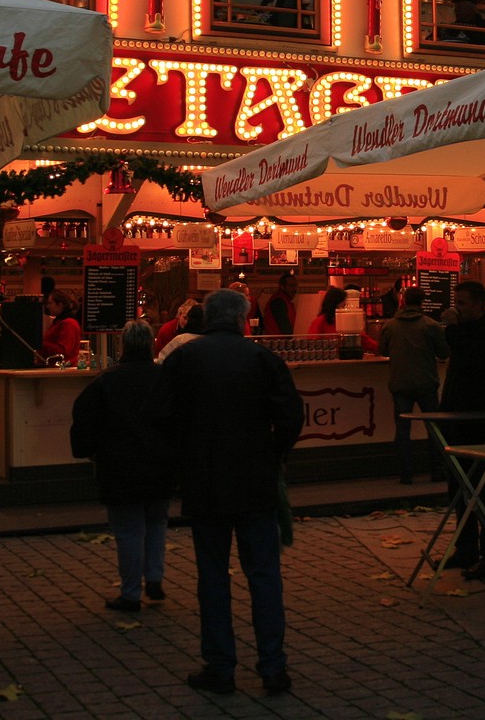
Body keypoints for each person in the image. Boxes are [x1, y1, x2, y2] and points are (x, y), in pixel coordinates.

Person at [147, 288, 303, 697]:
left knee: (212, 577)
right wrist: (277, 454)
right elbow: (290, 415)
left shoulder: (183, 359)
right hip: (255, 479)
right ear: (241, 319)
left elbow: (159, 416)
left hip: (205, 480)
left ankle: (220, 666)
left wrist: (181, 458)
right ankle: (273, 667)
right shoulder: (262, 359)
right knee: (264, 576)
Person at [70, 320, 174, 613]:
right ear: (152, 343)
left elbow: (84, 420)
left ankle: (130, 593)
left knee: (129, 529)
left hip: (120, 466)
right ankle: (154, 578)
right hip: (161, 463)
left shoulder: (106, 382)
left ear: (122, 345)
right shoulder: (164, 378)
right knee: (157, 521)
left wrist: (88, 451)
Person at [439, 280, 485, 581]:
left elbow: (470, 363)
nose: (459, 308)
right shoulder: (469, 332)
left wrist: (453, 330)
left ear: (480, 304)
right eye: (458, 303)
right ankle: (465, 546)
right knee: (458, 486)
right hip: (458, 418)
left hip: (481, 420)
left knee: (484, 488)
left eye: (464, 303)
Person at [376, 286, 449, 485]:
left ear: (403, 301)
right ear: (422, 302)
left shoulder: (390, 326)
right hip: (426, 382)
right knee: (434, 428)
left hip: (400, 383)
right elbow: (444, 352)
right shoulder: (430, 325)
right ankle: (437, 471)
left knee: (402, 431)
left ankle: (406, 474)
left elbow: (382, 350)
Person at [306, 286, 379, 352]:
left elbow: (363, 339)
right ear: (335, 303)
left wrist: (380, 348)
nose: (345, 308)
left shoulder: (345, 319)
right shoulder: (320, 321)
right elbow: (312, 344)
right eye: (343, 305)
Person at [37, 289, 82, 366]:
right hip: (57, 365)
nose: (48, 306)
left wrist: (40, 344)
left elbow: (64, 350)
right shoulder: (59, 322)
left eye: (50, 303)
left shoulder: (68, 323)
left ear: (60, 305)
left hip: (63, 367)